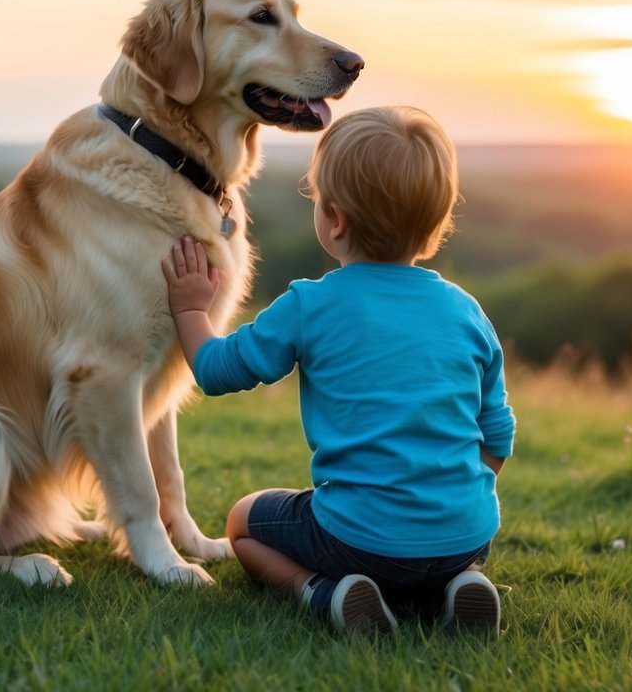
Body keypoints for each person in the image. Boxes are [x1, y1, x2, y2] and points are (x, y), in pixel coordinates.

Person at [160, 106, 515, 636]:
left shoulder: (310, 305)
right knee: (431, 551)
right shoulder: (467, 311)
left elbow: (215, 371)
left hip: (356, 540)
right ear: (436, 223)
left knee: (243, 523)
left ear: (336, 219)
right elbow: (498, 434)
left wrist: (190, 310)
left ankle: (325, 592)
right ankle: (459, 581)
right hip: (466, 533)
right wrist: (447, 502)